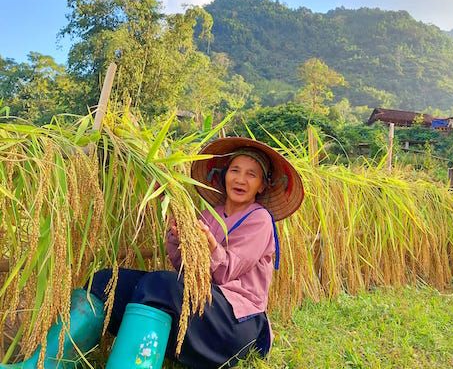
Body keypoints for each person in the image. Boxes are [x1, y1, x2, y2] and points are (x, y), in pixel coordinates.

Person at [1, 137, 303, 369]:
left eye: (251, 174)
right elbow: (185, 267)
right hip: (199, 309)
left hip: (235, 324)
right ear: (222, 176)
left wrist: (210, 244)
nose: (241, 179)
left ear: (263, 184)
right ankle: (42, 364)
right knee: (106, 281)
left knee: (160, 284)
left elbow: (226, 272)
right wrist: (176, 238)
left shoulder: (259, 218)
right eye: (235, 170)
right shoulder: (210, 213)